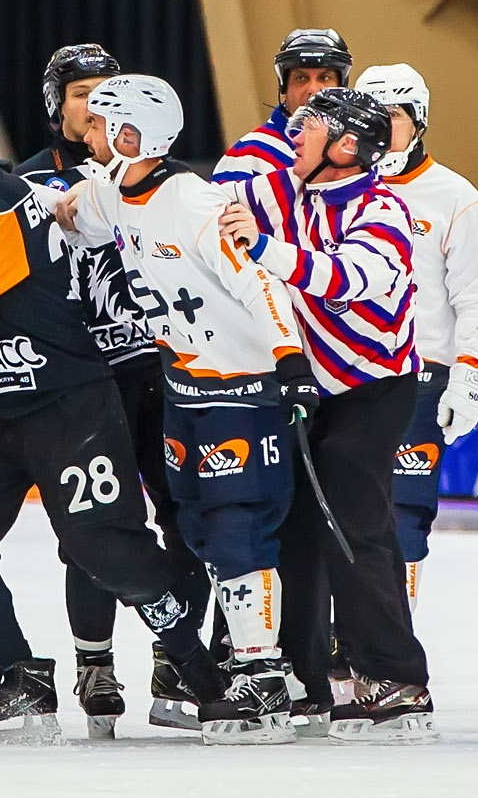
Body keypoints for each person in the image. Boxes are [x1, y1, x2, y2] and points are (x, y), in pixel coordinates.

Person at [0, 90, 227, 740]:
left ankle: (203, 675)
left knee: (109, 550)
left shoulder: (1, 202)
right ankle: (23, 679)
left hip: (66, 403)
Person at [55, 74, 313, 744]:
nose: (87, 131)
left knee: (236, 529)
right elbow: (75, 214)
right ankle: (234, 660)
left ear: (133, 135)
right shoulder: (116, 190)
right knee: (197, 532)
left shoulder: (198, 204)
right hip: (183, 391)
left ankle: (264, 674)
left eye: (100, 123)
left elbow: (260, 281)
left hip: (243, 392)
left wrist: (289, 359)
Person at [217, 85, 436, 742]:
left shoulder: (383, 209)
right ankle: (306, 680)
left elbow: (347, 278)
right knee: (295, 525)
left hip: (375, 388)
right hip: (314, 384)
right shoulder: (285, 188)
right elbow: (206, 206)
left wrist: (267, 250)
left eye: (308, 126)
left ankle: (396, 677)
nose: (294, 131)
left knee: (353, 520)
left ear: (344, 146)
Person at [11, 42, 209, 731]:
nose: (93, 105)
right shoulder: (26, 182)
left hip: (161, 373)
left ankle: (175, 657)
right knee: (89, 524)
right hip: (81, 380)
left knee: (189, 514)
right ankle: (94, 662)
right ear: (54, 105)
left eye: (105, 92)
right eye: (78, 94)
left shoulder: (165, 177)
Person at [356, 64, 478, 627]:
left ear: (417, 123)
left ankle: (393, 655)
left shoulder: (453, 197)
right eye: (371, 118)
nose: (380, 130)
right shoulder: (333, 187)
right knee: (339, 517)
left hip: (417, 379)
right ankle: (339, 650)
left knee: (403, 520)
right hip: (343, 376)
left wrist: (469, 372)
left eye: (391, 118)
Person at [214, 28, 352, 181]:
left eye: (325, 78)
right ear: (284, 86)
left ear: (342, 87)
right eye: (301, 78)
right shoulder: (246, 157)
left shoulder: (358, 151)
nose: (313, 90)